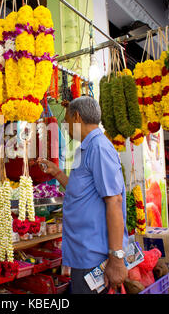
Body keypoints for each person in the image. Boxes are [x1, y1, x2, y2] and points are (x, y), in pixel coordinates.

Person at [38, 96, 128, 294]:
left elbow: (114, 201)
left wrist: (116, 258)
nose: (66, 125)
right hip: (84, 255)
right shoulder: (87, 148)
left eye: (67, 120)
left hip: (96, 258)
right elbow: (82, 191)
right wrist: (57, 173)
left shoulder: (99, 148)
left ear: (77, 117)